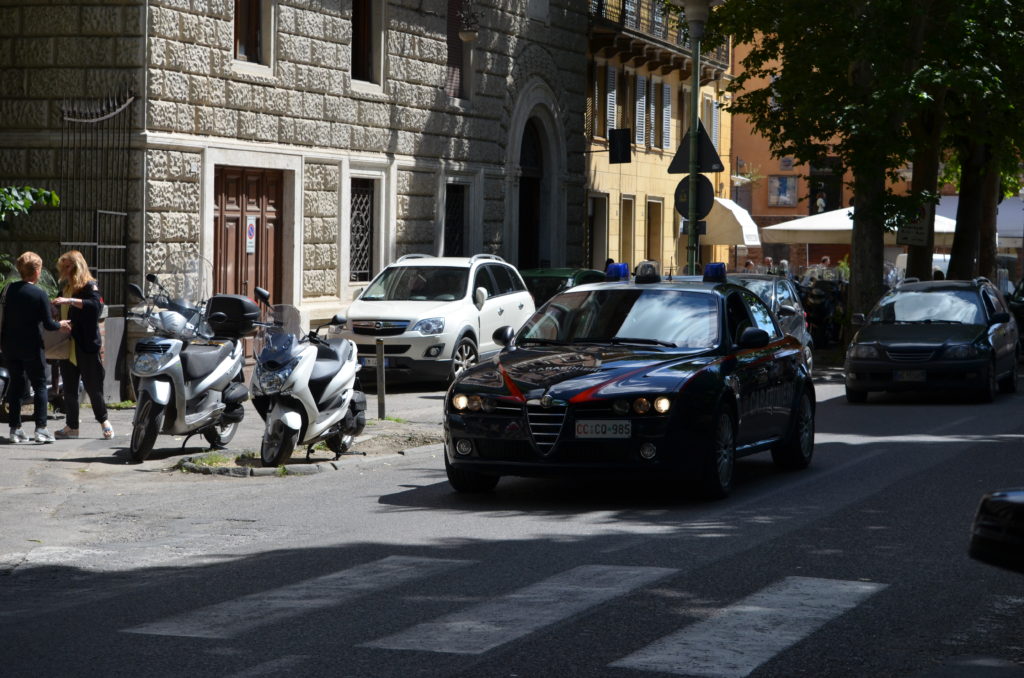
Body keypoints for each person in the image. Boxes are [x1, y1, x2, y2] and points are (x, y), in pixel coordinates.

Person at [1, 252, 70, 443]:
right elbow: (49, 324)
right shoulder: (39, 294)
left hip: (9, 345)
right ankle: (41, 429)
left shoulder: (8, 290)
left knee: (15, 386)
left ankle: (15, 430)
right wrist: (61, 324)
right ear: (37, 271)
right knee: (39, 385)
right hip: (32, 346)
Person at [52, 251, 112, 440]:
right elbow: (61, 311)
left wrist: (69, 301)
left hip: (85, 345)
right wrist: (56, 316)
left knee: (94, 387)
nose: (65, 270)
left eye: (68, 266)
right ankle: (72, 426)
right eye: (64, 267)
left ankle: (104, 422)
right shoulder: (66, 288)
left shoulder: (89, 286)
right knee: (69, 389)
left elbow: (95, 307)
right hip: (67, 345)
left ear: (78, 266)